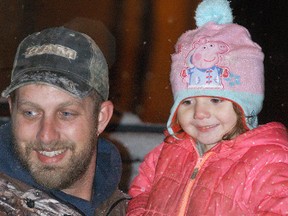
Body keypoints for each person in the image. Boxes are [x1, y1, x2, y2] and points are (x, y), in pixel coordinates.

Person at [127, 0, 288, 215]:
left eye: (215, 100)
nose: (199, 113)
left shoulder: (269, 161)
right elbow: (140, 195)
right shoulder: (167, 153)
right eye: (187, 102)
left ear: (244, 105)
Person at [0, 27, 129, 215]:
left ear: (101, 118)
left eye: (66, 113)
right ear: (12, 110)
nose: (46, 135)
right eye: (30, 113)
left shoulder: (132, 209)